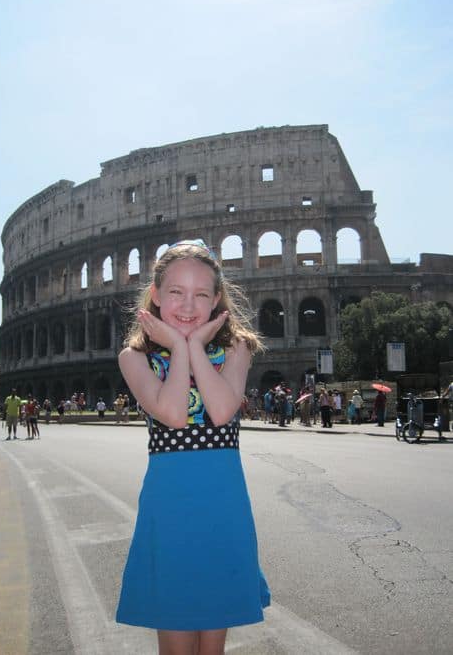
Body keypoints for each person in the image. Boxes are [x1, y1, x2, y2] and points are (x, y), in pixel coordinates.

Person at [116, 240, 270, 654]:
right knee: (178, 642)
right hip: (170, 510)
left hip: (223, 508)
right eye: (176, 293)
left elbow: (221, 411)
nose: (188, 305)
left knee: (212, 646)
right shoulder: (134, 357)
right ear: (155, 295)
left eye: (201, 294)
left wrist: (193, 346)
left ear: (217, 300)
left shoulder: (237, 347)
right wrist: (182, 346)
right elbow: (173, 413)